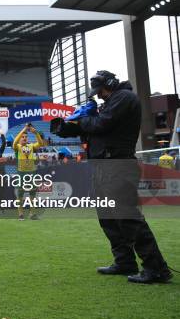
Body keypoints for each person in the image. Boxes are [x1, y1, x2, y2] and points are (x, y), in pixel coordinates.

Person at [52, 70, 172, 284]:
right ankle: (124, 262)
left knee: (128, 218)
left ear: (111, 84)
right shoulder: (109, 103)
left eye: (101, 90)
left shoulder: (124, 98)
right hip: (104, 166)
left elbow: (102, 124)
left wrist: (83, 120)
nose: (99, 95)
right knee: (107, 217)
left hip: (118, 165)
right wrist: (68, 126)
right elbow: (95, 130)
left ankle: (157, 269)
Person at [12, 123, 45, 220]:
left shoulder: (31, 146)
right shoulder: (17, 146)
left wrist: (36, 133)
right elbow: (14, 142)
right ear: (20, 138)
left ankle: (32, 214)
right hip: (21, 172)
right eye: (22, 137)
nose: (24, 138)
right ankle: (21, 214)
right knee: (20, 194)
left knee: (32, 193)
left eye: (26, 136)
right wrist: (23, 129)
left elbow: (41, 144)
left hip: (31, 172)